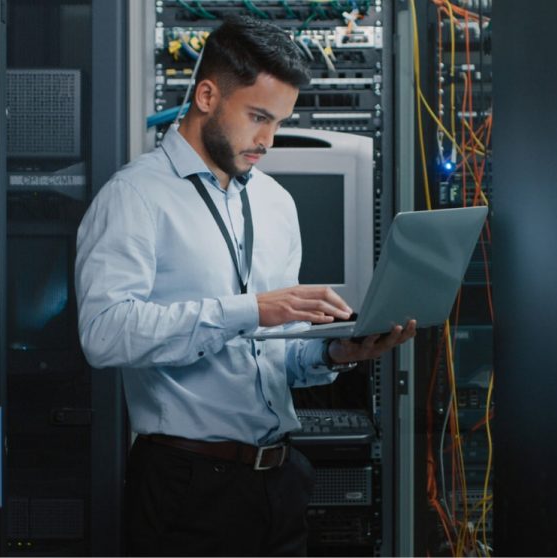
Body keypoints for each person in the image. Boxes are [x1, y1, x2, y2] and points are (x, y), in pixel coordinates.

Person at [75, 15, 416, 556]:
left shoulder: (276, 203)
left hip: (278, 480)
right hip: (184, 485)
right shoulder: (133, 197)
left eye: (278, 122)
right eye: (258, 117)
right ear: (207, 95)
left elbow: (275, 359)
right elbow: (103, 334)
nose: (267, 140)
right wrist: (249, 310)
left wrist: (334, 351)